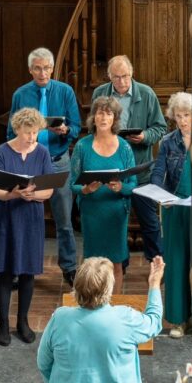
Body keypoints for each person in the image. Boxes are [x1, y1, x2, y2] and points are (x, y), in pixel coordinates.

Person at [8, 47, 81, 285]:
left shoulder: (65, 91)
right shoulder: (20, 95)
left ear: (52, 69)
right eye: (38, 68)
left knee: (65, 221)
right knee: (26, 220)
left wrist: (66, 130)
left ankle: (69, 268)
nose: (43, 73)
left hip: (58, 161)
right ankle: (24, 268)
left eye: (47, 68)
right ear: (30, 70)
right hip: (29, 164)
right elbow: (10, 132)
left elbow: (77, 127)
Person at [150, 92, 192, 342]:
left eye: (186, 115)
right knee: (176, 262)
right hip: (175, 207)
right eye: (178, 116)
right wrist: (159, 193)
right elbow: (158, 173)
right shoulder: (168, 142)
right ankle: (178, 320)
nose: (182, 120)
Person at [0, 108, 57, 347]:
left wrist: (32, 195)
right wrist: (15, 194)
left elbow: (49, 190)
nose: (31, 137)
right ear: (17, 129)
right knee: (6, 271)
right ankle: (3, 322)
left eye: (35, 132)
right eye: (28, 132)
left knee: (28, 271)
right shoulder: (1, 152)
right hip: (6, 217)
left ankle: (23, 321)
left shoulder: (42, 152)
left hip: (31, 219)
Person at [37, 256, 165, 383]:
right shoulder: (126, 319)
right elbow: (154, 321)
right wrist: (154, 283)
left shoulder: (59, 319)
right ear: (108, 289)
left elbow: (43, 363)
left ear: (77, 286)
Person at [92, 55, 168, 262]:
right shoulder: (100, 94)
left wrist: (145, 137)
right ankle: (119, 265)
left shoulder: (146, 93)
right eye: (116, 77)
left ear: (132, 73)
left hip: (140, 170)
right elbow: (93, 127)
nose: (122, 81)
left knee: (150, 223)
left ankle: (156, 264)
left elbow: (160, 127)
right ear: (109, 77)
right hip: (111, 170)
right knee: (115, 223)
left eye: (125, 76)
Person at [70, 96, 137, 291]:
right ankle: (91, 303)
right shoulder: (82, 146)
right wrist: (85, 189)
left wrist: (121, 187)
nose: (104, 117)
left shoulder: (124, 147)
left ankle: (113, 305)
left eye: (108, 113)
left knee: (116, 263)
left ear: (115, 118)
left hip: (116, 213)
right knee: (91, 264)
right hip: (91, 213)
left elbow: (133, 184)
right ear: (93, 117)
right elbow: (73, 183)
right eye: (100, 113)